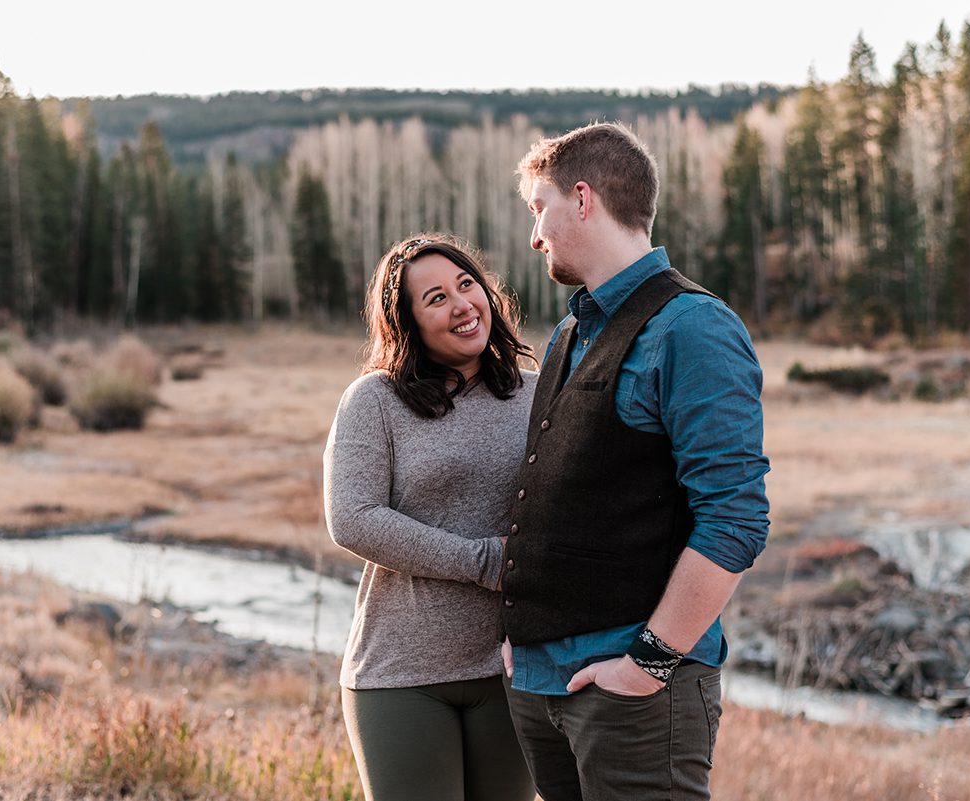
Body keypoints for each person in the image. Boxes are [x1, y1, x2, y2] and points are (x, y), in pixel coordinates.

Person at [499, 122, 771, 800]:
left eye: (540, 208)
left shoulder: (692, 327)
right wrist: (522, 641)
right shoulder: (569, 330)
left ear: (582, 199)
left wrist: (647, 663)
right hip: (542, 685)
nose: (535, 235)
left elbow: (735, 517)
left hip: (631, 695)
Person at [323, 233, 536, 801]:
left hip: (514, 669)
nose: (463, 304)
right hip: (400, 673)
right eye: (436, 298)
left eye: (468, 285)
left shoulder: (539, 396)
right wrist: (483, 560)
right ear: (408, 323)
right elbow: (354, 518)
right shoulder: (374, 401)